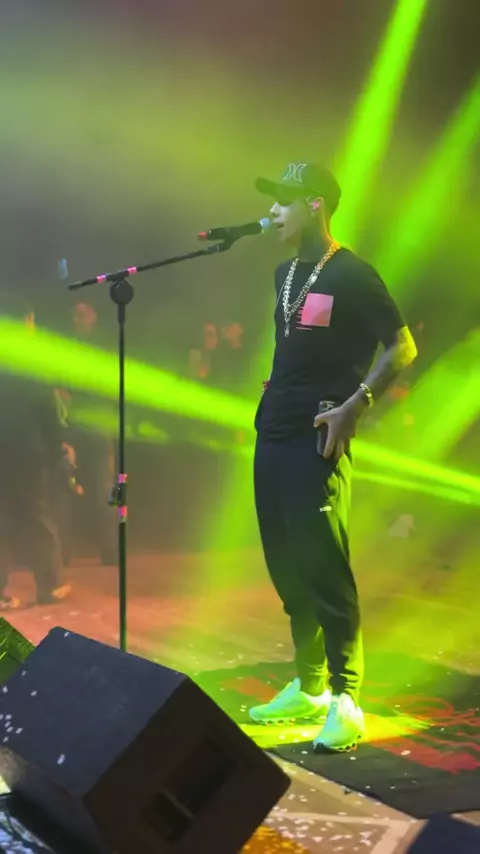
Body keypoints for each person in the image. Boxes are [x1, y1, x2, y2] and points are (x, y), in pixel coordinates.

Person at [249, 163, 417, 751]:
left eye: (283, 201)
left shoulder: (352, 274)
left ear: (315, 204)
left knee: (323, 566)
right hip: (273, 430)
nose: (273, 212)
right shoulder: (284, 273)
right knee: (286, 565)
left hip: (318, 435)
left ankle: (347, 699)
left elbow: (402, 345)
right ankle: (310, 685)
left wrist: (355, 405)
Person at [0, 292, 70, 608]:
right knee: (36, 515)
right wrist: (57, 448)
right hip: (27, 451)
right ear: (28, 321)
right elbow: (48, 411)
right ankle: (49, 585)